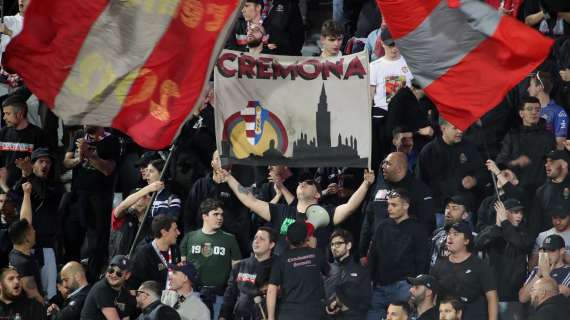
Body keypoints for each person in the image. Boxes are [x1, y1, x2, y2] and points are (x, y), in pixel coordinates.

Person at [221, 167, 375, 254]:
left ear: (317, 194)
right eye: (300, 182)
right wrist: (228, 178)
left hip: (312, 281)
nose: (302, 183)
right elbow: (250, 200)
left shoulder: (326, 213)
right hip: (281, 279)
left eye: (308, 182)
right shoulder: (281, 211)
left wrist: (366, 184)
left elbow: (349, 207)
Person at [63, 125, 121, 281]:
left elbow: (108, 169)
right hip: (77, 195)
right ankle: (70, 278)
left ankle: (92, 280)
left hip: (99, 199)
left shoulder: (112, 140)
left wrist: (89, 154)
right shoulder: (78, 135)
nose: (85, 122)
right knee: (72, 239)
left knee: (96, 245)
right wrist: (79, 158)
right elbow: (66, 162)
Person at [367, 189, 429, 320]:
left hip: (404, 287)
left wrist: (414, 286)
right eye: (388, 204)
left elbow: (422, 261)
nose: (389, 208)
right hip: (379, 287)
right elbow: (373, 255)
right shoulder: (382, 226)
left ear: (406, 206)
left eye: (394, 205)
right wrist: (371, 280)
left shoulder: (418, 229)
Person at [10, 147, 62, 300]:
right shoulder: (24, 183)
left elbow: (42, 194)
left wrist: (30, 174)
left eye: (48, 162)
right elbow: (16, 196)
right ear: (33, 164)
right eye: (41, 161)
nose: (45, 165)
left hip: (45, 247)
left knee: (48, 293)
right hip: (23, 249)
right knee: (24, 293)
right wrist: (25, 176)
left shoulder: (55, 186)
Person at [360, 152, 434, 259]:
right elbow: (369, 218)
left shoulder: (419, 190)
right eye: (383, 163)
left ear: (399, 169)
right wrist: (362, 251)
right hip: (377, 250)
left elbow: (426, 223)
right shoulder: (379, 186)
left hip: (404, 253)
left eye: (388, 164)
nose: (383, 166)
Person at [417, 118, 487, 226]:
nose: (460, 131)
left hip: (465, 212)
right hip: (440, 212)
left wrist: (475, 180)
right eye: (455, 128)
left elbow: (483, 173)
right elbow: (420, 184)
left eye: (461, 127)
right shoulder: (428, 152)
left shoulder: (469, 147)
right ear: (443, 128)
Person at [180, 198, 241, 319]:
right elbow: (182, 271)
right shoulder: (189, 237)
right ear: (205, 216)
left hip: (219, 296)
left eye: (221, 214)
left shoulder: (230, 239)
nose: (220, 218)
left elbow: (236, 271)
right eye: (215, 214)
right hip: (193, 294)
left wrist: (230, 298)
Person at [473, 199, 533, 320]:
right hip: (491, 294)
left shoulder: (524, 232)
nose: (520, 216)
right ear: (504, 212)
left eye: (521, 213)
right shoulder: (494, 230)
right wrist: (498, 225)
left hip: (514, 296)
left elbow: (522, 244)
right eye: (515, 212)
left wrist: (505, 222)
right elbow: (477, 243)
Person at [430, 221, 498, 320]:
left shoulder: (479, 265)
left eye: (455, 234)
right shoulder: (439, 265)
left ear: (466, 241)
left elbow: (492, 297)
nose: (450, 237)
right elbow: (433, 298)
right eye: (448, 234)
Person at [267, 221, 329, 320]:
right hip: (315, 313)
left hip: (288, 314)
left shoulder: (280, 260)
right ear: (307, 238)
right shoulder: (317, 253)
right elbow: (329, 273)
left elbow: (271, 289)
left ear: (287, 239)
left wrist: (270, 318)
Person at [495, 97, 556, 193]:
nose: (534, 112)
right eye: (529, 109)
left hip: (541, 191)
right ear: (521, 113)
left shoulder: (549, 137)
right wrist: (515, 162)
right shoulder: (512, 136)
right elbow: (500, 161)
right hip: (517, 189)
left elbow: (554, 164)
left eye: (537, 109)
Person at [220, 226, 277, 320]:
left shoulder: (279, 266)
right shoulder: (239, 266)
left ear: (271, 245)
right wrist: (223, 316)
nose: (256, 241)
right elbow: (230, 295)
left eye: (261, 239)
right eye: (255, 238)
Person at [0, 96, 46, 189]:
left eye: (7, 114)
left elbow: (44, 166)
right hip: (4, 188)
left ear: (20, 114)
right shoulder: (2, 133)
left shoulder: (38, 135)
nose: (4, 117)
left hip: (28, 188)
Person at [324, 229, 371, 319]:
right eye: (332, 244)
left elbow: (365, 302)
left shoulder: (361, 272)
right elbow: (320, 297)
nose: (334, 247)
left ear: (348, 245)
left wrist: (346, 307)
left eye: (338, 244)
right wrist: (327, 307)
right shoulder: (326, 270)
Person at [129, 214, 182, 290]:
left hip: (173, 296)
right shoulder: (143, 254)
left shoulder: (175, 250)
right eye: (175, 229)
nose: (178, 233)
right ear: (164, 232)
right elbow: (133, 284)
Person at [80, 255, 137, 320]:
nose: (114, 275)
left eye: (119, 273)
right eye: (111, 270)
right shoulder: (102, 289)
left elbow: (126, 316)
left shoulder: (124, 291)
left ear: (127, 275)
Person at [529, 149, 570, 237]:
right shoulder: (541, 191)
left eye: (551, 161)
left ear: (564, 164)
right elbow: (535, 222)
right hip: (551, 244)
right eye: (546, 162)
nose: (546, 164)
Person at [519, 234, 570, 303]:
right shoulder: (537, 270)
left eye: (552, 250)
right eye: (545, 250)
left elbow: (554, 297)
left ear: (562, 251)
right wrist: (538, 274)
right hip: (536, 312)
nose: (547, 254)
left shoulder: (567, 271)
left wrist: (546, 275)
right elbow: (522, 298)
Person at [527, 71, 568, 149]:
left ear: (539, 87)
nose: (528, 89)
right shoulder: (528, 110)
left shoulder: (559, 112)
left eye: (530, 85)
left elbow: (560, 145)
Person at [7, 217, 44, 304]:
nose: (35, 232)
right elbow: (33, 294)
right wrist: (46, 307)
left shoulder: (14, 253)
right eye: (32, 230)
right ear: (26, 238)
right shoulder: (23, 263)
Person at [429, 195, 471, 267]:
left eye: (454, 208)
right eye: (447, 207)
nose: (448, 211)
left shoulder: (470, 238)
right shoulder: (437, 233)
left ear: (464, 215)